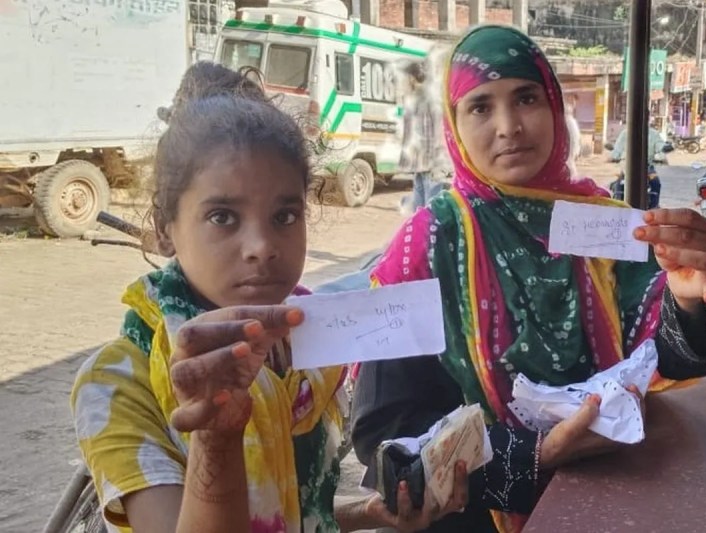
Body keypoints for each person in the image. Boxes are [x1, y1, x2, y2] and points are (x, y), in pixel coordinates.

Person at [351, 26, 706, 533]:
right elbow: (386, 436)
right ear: (454, 125)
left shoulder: (602, 226)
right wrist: (537, 453)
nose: (509, 126)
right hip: (470, 520)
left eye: (526, 98)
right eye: (480, 107)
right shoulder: (426, 246)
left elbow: (662, 357)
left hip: (608, 499)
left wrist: (687, 301)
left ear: (555, 107)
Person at [70, 63, 467, 533]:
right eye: (222, 217)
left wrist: (368, 513)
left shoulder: (308, 348)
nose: (262, 246)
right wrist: (216, 439)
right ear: (164, 229)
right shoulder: (117, 382)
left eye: (284, 216)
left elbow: (290, 509)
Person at [398, 60, 451, 211]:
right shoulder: (411, 99)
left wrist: (440, 163)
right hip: (419, 163)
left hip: (432, 162)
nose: (403, 82)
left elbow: (437, 131)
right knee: (419, 209)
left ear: (412, 78)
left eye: (405, 78)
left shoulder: (430, 99)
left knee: (431, 209)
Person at [610, 120, 666, 208]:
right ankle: (617, 206)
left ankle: (654, 208)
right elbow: (616, 151)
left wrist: (660, 157)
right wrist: (613, 157)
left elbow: (661, 149)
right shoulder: (625, 133)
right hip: (626, 168)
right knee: (618, 185)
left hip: (647, 167)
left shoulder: (654, 134)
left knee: (655, 183)